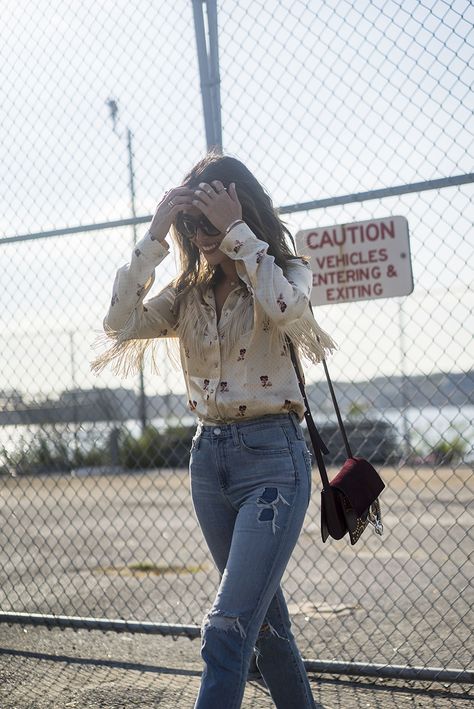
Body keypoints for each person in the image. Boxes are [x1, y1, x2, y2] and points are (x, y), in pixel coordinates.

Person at [92, 152, 335, 709]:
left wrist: (237, 235)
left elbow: (286, 308)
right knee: (264, 626)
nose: (200, 234)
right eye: (190, 224)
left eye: (210, 220)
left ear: (241, 211)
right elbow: (118, 322)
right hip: (210, 463)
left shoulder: (284, 271)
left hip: (275, 462)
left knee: (225, 628)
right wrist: (153, 236)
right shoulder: (188, 294)